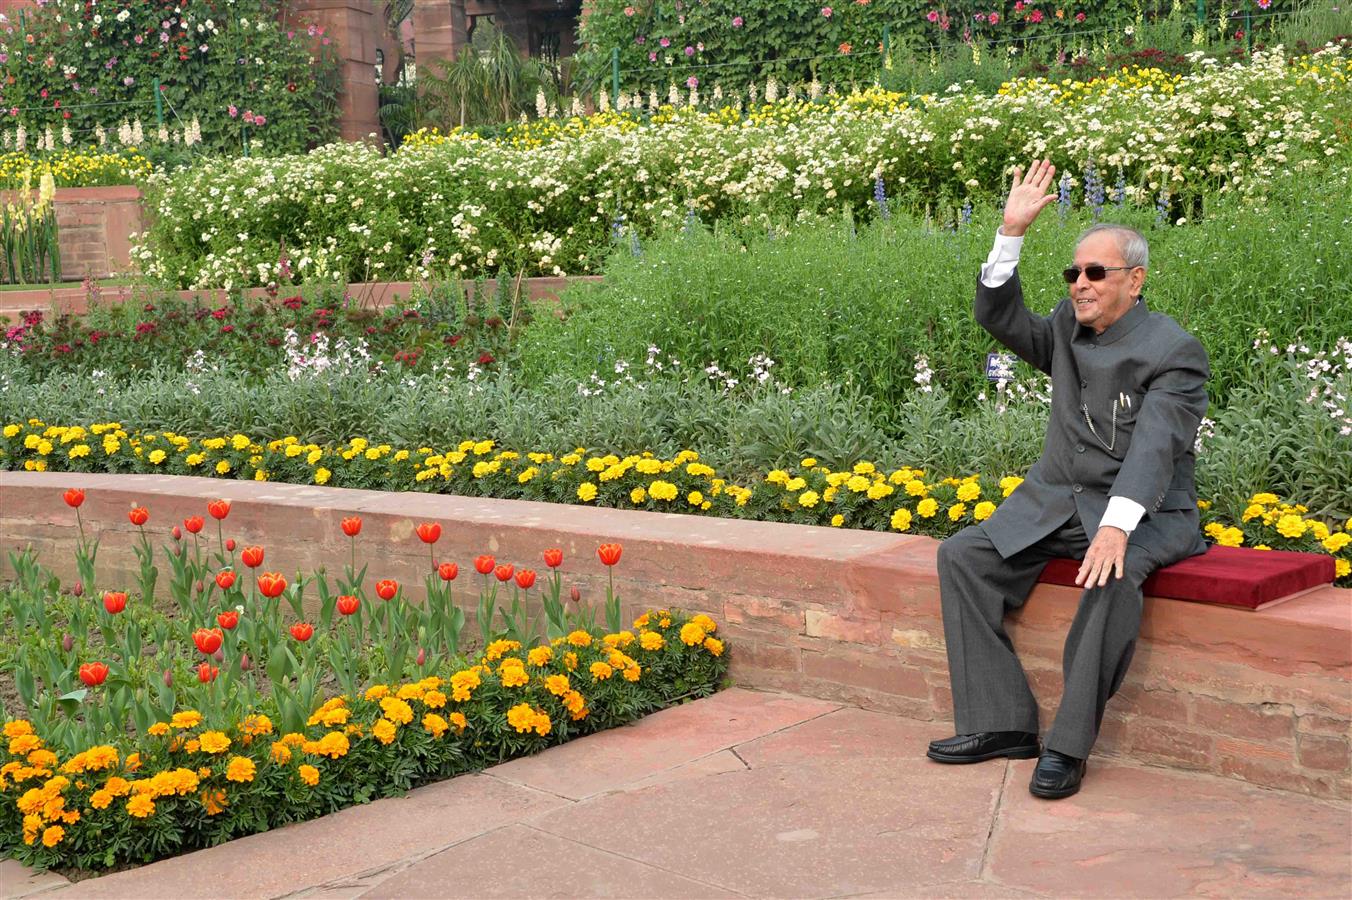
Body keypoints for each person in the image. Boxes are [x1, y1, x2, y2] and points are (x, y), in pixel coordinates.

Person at [926, 159, 1210, 799]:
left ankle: (1067, 746)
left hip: (1147, 514)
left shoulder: (1172, 350)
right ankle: (1001, 724)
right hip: (1058, 506)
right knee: (963, 557)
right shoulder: (1064, 326)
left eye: (1095, 274)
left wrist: (1116, 529)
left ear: (1134, 281)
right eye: (1074, 273)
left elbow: (1156, 449)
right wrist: (1010, 233)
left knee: (1111, 578)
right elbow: (1001, 320)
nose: (1080, 285)